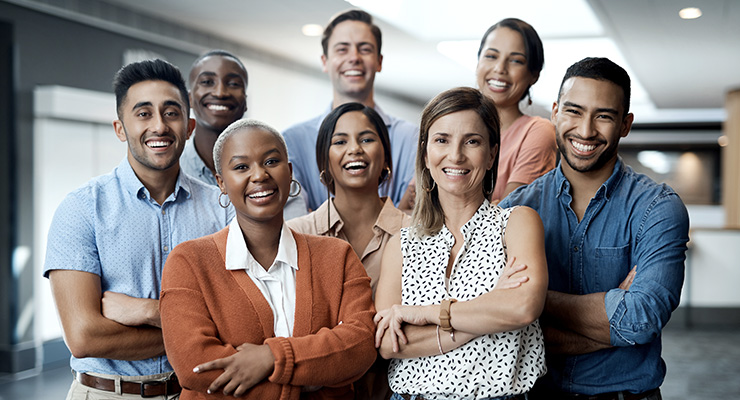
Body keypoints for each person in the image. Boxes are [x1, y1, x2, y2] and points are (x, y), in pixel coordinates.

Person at [500, 57, 690, 400]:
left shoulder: (657, 207)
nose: (585, 130)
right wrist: (613, 313)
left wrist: (531, 300)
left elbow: (641, 319)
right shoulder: (515, 208)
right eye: (574, 111)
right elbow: (497, 324)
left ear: (625, 124)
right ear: (555, 112)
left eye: (603, 116)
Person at [44, 59, 234, 399]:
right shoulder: (81, 209)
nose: (159, 126)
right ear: (120, 128)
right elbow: (85, 336)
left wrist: (146, 311)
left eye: (171, 113)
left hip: (199, 393)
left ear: (189, 126)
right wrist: (200, 331)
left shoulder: (222, 209)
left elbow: (242, 317)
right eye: (143, 114)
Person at [160, 119, 377, 399]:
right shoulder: (189, 262)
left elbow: (360, 346)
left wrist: (272, 359)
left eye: (271, 161)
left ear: (289, 172)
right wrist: (313, 380)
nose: (260, 175)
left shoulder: (338, 256)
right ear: (221, 183)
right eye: (241, 167)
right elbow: (195, 367)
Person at [374, 87, 548, 400]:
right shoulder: (402, 243)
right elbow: (389, 343)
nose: (456, 155)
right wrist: (490, 309)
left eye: (472, 141)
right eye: (442, 140)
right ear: (426, 153)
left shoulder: (517, 223)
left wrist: (425, 314)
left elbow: (522, 308)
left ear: (492, 153)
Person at [287, 103, 410, 400]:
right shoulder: (293, 235)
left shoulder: (419, 234)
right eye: (340, 141)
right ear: (324, 163)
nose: (354, 149)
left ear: (386, 159)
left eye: (367, 139)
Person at [283, 9, 417, 211]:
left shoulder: (411, 137)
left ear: (379, 61)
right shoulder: (292, 141)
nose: (354, 57)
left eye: (364, 49)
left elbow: (415, 218)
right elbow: (298, 224)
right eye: (342, 49)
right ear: (325, 62)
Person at [182, 49, 308, 219]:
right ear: (189, 98)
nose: (220, 92)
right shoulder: (174, 171)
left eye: (233, 84)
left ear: (245, 100)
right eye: (207, 81)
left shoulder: (276, 175)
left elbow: (294, 236)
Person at [476, 18, 557, 201]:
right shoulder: (450, 125)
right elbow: (412, 207)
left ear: (533, 75)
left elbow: (507, 215)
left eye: (516, 61)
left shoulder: (537, 131)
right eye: (491, 56)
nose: (500, 68)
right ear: (478, 61)